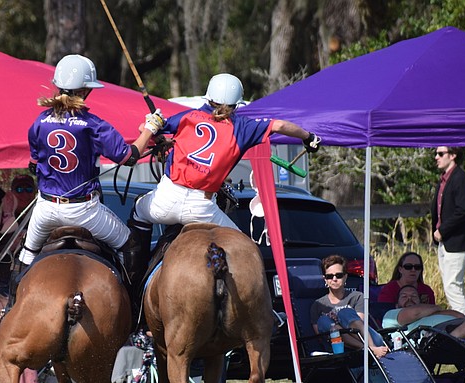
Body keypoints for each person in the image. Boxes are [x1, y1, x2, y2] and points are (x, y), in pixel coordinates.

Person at [126, 72, 321, 289]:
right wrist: (308, 137)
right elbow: (280, 126)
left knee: (138, 213)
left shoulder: (187, 116)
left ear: (208, 97)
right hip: (201, 208)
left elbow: (145, 130)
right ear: (237, 103)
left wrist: (155, 129)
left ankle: (134, 280)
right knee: (246, 248)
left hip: (165, 200)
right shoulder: (243, 127)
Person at [17, 54, 159, 271]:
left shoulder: (39, 122)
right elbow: (128, 157)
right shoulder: (94, 125)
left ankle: (14, 292)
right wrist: (150, 129)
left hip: (46, 209)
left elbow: (34, 165)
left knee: (25, 257)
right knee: (130, 245)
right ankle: (132, 292)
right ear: (85, 91)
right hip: (83, 211)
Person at [310, 255, 389, 358]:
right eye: (330, 276)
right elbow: (320, 336)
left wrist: (339, 318)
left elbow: (359, 326)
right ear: (325, 279)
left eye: (339, 275)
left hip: (368, 338)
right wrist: (335, 326)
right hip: (339, 346)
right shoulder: (318, 304)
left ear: (345, 277)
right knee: (324, 321)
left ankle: (371, 347)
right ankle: (369, 350)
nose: (334, 279)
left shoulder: (357, 297)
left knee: (345, 312)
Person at [430, 146, 465, 316]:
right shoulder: (445, 179)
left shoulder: (460, 178)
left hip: (457, 241)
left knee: (452, 285)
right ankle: (461, 321)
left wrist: (442, 230)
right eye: (436, 153)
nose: (436, 157)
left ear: (453, 155)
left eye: (441, 154)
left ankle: (464, 323)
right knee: (450, 285)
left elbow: (463, 210)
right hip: (445, 241)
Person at [0, 172, 37, 295]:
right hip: (5, 280)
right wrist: (10, 246)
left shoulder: (42, 220)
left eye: (29, 189)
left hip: (35, 278)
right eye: (19, 189)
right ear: (12, 193)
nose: (24, 194)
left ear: (35, 193)